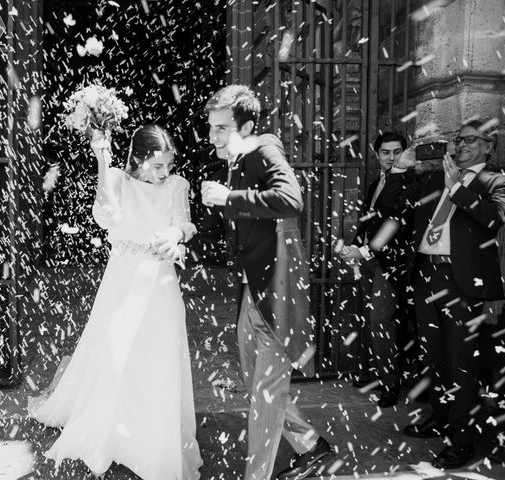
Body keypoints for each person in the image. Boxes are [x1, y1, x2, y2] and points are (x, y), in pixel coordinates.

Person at [31, 124, 202, 480]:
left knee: (159, 355)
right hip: (122, 279)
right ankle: (113, 433)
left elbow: (185, 225)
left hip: (161, 281)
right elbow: (106, 216)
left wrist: (175, 234)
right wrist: (101, 158)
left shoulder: (177, 186)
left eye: (169, 164)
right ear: (138, 159)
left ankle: (153, 438)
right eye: (157, 166)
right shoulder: (117, 181)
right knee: (115, 352)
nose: (164, 172)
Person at [199, 85, 331, 480]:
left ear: (248, 125)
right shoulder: (238, 158)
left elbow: (291, 200)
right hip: (253, 292)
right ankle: (311, 445)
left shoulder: (263, 149)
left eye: (222, 129)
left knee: (265, 393)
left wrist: (229, 198)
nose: (213, 138)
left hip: (275, 292)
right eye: (211, 128)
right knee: (254, 380)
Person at [384, 118, 505, 469]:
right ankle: (438, 417)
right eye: (459, 139)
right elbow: (393, 207)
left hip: (462, 283)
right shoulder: (434, 177)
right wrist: (399, 170)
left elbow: (495, 219)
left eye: (471, 140)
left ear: (489, 147)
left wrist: (457, 188)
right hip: (426, 273)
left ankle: (463, 441)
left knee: (461, 363)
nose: (462, 145)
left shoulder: (494, 181)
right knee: (432, 355)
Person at [339, 132, 415, 407]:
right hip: (370, 262)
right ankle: (373, 373)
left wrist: (366, 251)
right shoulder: (376, 183)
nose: (391, 157)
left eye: (397, 152)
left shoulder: (409, 182)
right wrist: (355, 247)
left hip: (391, 264)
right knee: (369, 318)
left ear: (405, 153)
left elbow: (394, 225)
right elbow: (370, 221)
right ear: (377, 154)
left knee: (380, 321)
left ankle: (390, 385)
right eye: (385, 152)